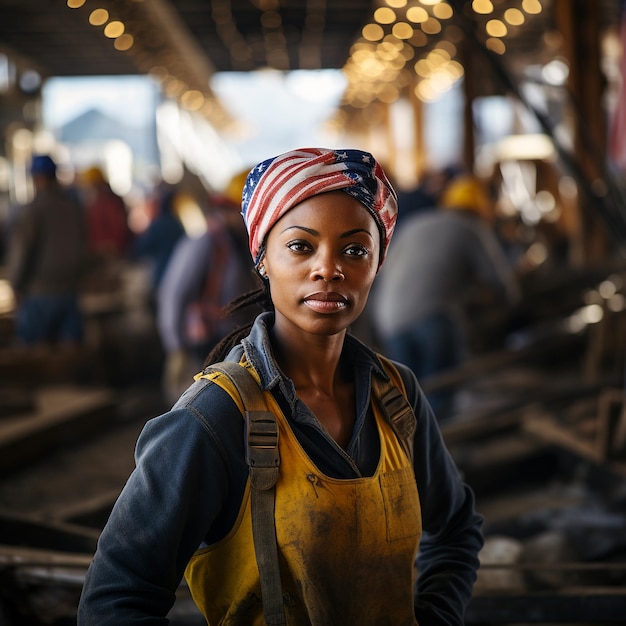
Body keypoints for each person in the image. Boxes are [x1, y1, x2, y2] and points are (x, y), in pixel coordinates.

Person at [77, 148, 483, 625]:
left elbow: (455, 528)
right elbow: (114, 600)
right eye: (300, 246)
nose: (328, 268)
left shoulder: (395, 394)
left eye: (355, 250)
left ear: (377, 262)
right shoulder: (215, 417)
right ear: (263, 258)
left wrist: (435, 616)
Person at [370, 174, 520, 419]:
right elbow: (503, 286)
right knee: (441, 400)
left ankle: (413, 452)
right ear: (480, 209)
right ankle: (441, 448)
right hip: (431, 320)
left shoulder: (415, 224)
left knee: (412, 398)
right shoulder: (472, 229)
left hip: (388, 321)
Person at [157, 188, 259, 404]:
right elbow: (174, 294)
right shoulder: (205, 243)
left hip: (235, 335)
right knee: (203, 401)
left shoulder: (240, 244)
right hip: (207, 340)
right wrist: (176, 346)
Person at [7, 154, 88, 346]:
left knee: (35, 358)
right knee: (71, 357)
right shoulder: (74, 208)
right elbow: (84, 247)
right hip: (70, 291)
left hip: (39, 294)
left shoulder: (32, 210)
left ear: (36, 178)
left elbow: (21, 252)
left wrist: (16, 285)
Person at [80, 166, 133, 261]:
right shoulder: (95, 200)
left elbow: (118, 227)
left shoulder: (108, 200)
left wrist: (111, 247)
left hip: (111, 252)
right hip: (102, 252)